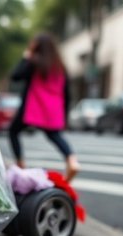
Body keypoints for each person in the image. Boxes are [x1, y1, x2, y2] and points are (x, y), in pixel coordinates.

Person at [9, 33, 80, 182]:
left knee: (13, 131)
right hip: (53, 110)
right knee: (54, 135)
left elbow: (15, 76)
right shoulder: (60, 67)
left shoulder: (34, 63)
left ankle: (21, 165)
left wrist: (26, 57)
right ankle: (72, 160)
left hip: (33, 107)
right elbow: (67, 94)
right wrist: (65, 116)